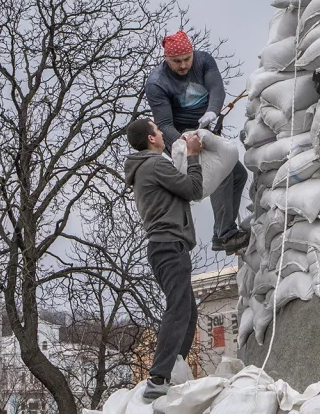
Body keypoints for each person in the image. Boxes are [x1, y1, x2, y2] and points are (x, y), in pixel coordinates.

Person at [144, 30, 248, 254]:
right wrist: (186, 143)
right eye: (176, 62)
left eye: (186, 59)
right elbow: (164, 123)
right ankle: (227, 234)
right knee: (223, 173)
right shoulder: (157, 83)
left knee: (238, 174)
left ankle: (219, 233)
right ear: (166, 60)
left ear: (192, 53)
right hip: (180, 139)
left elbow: (216, 89)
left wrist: (212, 112)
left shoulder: (203, 61)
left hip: (205, 128)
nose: (183, 65)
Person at [123, 117, 204, 401]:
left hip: (164, 247)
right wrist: (193, 156)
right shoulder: (155, 165)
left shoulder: (146, 168)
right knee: (179, 308)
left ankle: (175, 369)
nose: (161, 133)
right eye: (157, 130)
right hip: (169, 245)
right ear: (151, 139)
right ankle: (159, 378)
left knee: (188, 310)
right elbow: (193, 189)